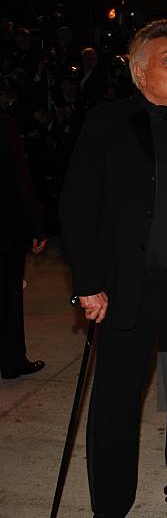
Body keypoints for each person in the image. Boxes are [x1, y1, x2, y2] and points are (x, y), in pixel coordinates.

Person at [60, 19, 167, 518]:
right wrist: (87, 283)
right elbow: (78, 206)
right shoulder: (108, 122)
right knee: (115, 405)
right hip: (126, 289)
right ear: (138, 71)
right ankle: (109, 504)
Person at [0, 112, 47, 380]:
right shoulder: (4, 121)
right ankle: (12, 361)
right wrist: (36, 225)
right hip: (5, 228)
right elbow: (19, 174)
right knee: (8, 297)